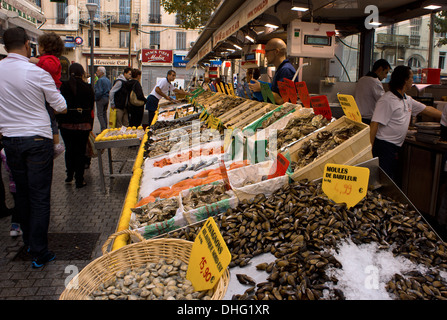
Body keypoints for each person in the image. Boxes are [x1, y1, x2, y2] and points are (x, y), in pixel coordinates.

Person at [0, 27, 67, 268]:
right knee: (39, 196)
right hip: (38, 140)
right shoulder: (36, 72)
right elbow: (59, 106)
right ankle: (39, 252)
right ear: (28, 44)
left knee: (22, 193)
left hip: (10, 140)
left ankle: (29, 243)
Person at [370, 65, 442, 181]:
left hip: (396, 148)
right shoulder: (387, 100)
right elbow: (374, 124)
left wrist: (444, 116)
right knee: (384, 181)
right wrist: (369, 148)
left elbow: (427, 110)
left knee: (391, 180)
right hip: (384, 146)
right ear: (405, 80)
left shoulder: (407, 99)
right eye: (411, 78)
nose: (412, 82)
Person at [57, 63, 95, 188]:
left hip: (66, 125)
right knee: (80, 151)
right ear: (82, 73)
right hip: (83, 124)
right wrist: (90, 125)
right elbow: (91, 108)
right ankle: (79, 179)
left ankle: (69, 175)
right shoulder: (87, 87)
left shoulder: (63, 86)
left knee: (70, 150)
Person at [29, 31, 66, 158]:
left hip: (51, 91)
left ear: (45, 47)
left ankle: (56, 144)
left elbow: (49, 68)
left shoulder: (51, 60)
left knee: (50, 118)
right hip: (44, 90)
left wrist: (36, 61)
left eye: (39, 45)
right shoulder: (48, 59)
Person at [249, 38, 297, 105]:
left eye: (267, 51)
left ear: (276, 51)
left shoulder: (286, 70)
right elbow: (277, 93)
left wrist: (262, 88)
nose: (265, 55)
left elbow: (282, 100)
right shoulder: (281, 69)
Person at [354, 59, 391, 125]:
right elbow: (383, 101)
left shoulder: (362, 79)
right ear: (380, 69)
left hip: (358, 117)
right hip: (368, 120)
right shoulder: (375, 82)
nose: (385, 76)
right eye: (386, 72)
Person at [94, 66, 112, 133]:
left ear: (101, 72)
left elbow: (99, 91)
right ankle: (105, 128)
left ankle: (103, 129)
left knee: (100, 114)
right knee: (104, 113)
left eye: (98, 71)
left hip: (101, 98)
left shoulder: (100, 80)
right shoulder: (108, 80)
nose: (96, 72)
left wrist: (96, 98)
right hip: (106, 98)